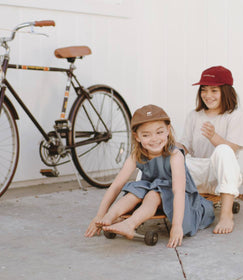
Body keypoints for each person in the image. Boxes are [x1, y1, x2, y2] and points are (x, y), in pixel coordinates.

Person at [85, 104, 215, 248]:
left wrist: (177, 225)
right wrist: (100, 214)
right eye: (146, 135)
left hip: (178, 198)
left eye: (159, 132)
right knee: (134, 191)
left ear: (168, 130)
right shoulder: (137, 154)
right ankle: (110, 217)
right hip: (151, 193)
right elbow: (116, 185)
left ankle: (130, 224)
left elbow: (178, 192)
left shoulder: (175, 155)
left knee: (154, 193)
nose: (154, 139)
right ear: (137, 137)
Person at [178, 66, 243, 235]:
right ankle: (139, 203)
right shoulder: (194, 115)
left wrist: (214, 137)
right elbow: (185, 144)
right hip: (196, 174)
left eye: (214, 90)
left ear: (226, 92)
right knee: (167, 157)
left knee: (223, 149)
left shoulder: (234, 115)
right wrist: (170, 149)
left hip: (219, 175)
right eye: (204, 90)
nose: (208, 95)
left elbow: (232, 149)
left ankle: (226, 215)